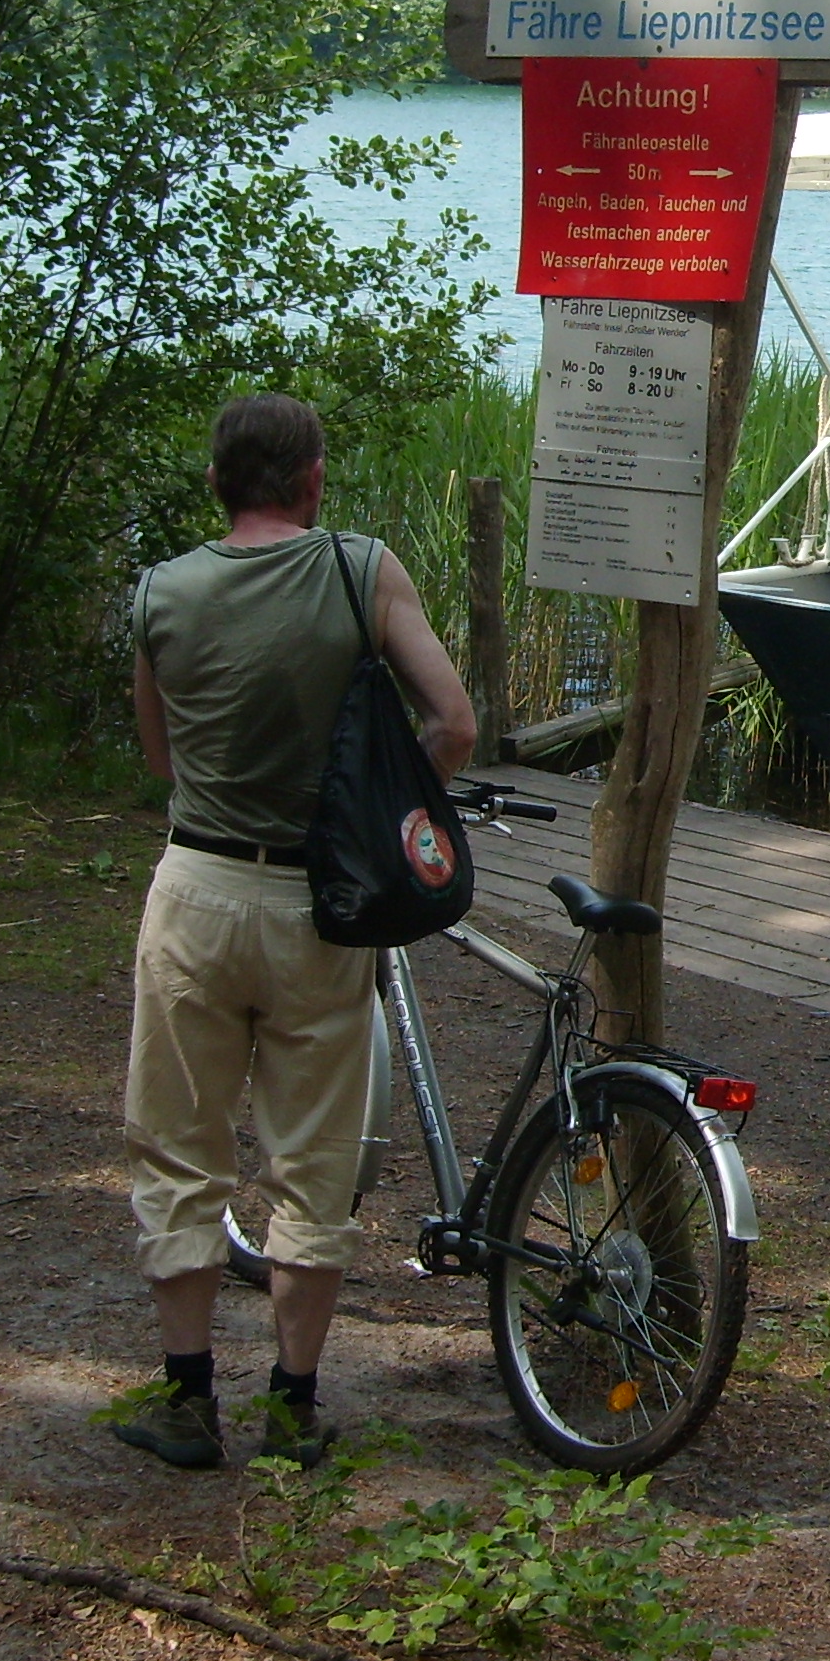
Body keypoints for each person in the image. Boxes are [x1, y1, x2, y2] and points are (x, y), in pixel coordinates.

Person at [115, 394, 476, 1469]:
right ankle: (292, 1406)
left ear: (218, 483)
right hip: (322, 908)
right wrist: (378, 814)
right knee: (312, 1163)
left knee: (179, 1148)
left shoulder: (160, 593)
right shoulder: (363, 572)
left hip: (196, 892)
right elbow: (452, 723)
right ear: (313, 481)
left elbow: (160, 760)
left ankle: (186, 1403)